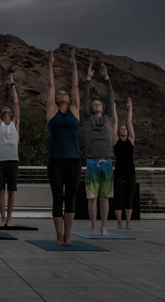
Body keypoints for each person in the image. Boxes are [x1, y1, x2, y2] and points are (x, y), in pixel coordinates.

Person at [46, 49, 81, 246]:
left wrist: (74, 62)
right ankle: (59, 236)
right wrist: (50, 64)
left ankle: (68, 236)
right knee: (57, 197)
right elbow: (50, 85)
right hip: (55, 160)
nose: (63, 94)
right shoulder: (52, 112)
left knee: (71, 198)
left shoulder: (75, 111)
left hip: (74, 160)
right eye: (60, 93)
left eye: (65, 93)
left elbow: (75, 85)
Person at [81, 62, 117, 236]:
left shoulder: (108, 117)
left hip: (107, 161)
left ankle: (104, 227)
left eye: (98, 104)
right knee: (92, 197)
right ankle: (94, 227)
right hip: (91, 161)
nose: (95, 105)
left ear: (103, 108)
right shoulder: (87, 119)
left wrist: (106, 79)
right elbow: (85, 100)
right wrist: (88, 79)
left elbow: (111, 99)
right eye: (94, 104)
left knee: (105, 197)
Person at [0, 73, 20, 228]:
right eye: (3, 108)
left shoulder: (15, 124)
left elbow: (16, 104)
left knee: (11, 191)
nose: (5, 107)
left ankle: (9, 219)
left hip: (13, 161)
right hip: (0, 161)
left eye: (7, 108)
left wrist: (12, 84)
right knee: (1, 191)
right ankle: (3, 219)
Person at [113, 97, 135, 230]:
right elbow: (115, 121)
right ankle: (119, 223)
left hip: (131, 172)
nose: (123, 130)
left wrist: (130, 108)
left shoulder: (131, 140)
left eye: (125, 129)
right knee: (119, 197)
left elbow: (129, 121)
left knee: (129, 197)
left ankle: (128, 223)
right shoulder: (115, 141)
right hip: (119, 172)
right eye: (121, 129)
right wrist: (114, 109)